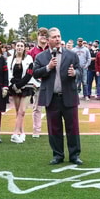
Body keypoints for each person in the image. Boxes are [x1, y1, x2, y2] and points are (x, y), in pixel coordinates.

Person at [32, 27, 82, 165]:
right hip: (51, 98)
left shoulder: (71, 55)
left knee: (73, 127)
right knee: (54, 128)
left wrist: (75, 73)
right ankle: (58, 155)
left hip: (69, 96)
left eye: (59, 36)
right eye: (54, 37)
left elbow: (80, 70)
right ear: (48, 40)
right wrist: (48, 67)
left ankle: (74, 155)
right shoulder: (41, 57)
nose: (57, 39)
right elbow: (35, 73)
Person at [8, 40, 34, 143]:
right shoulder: (10, 59)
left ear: (24, 48)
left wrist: (19, 85)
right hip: (14, 88)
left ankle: (15, 133)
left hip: (26, 87)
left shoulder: (29, 59)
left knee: (22, 111)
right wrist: (14, 86)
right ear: (15, 47)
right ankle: (22, 132)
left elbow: (29, 74)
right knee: (18, 111)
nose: (19, 47)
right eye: (18, 45)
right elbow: (9, 74)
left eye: (21, 46)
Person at [27, 27, 49, 137]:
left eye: (45, 35)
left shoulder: (52, 50)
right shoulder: (31, 52)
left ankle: (53, 130)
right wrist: (33, 82)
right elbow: (29, 69)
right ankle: (36, 130)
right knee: (37, 107)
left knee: (53, 107)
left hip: (50, 82)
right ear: (38, 37)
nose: (43, 37)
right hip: (37, 82)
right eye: (41, 35)